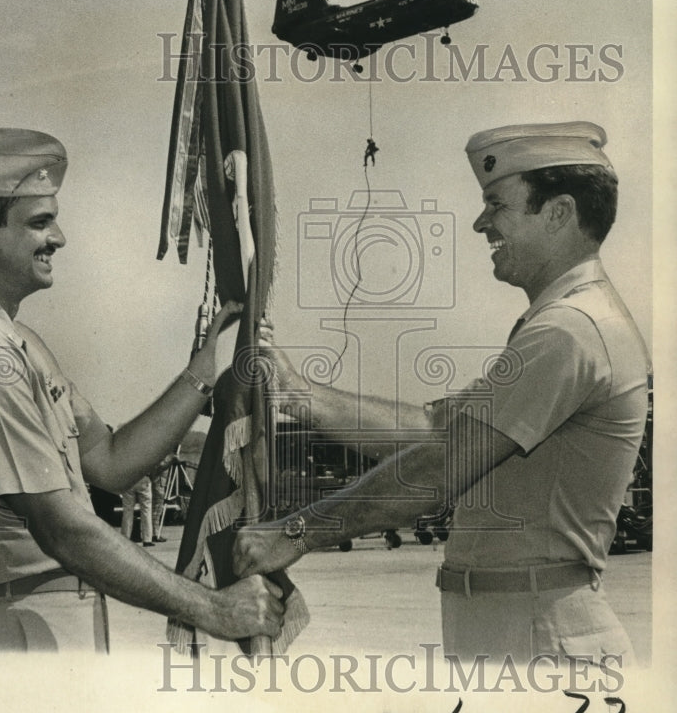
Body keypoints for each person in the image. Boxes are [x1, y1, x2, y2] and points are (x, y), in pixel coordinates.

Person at [234, 121, 650, 666]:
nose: (482, 223)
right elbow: (437, 429)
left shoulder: (569, 330)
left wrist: (295, 532)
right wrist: (305, 396)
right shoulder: (563, 321)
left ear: (558, 213)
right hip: (518, 630)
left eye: (496, 204)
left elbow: (440, 467)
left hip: (539, 638)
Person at [0, 127, 284, 652]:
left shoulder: (13, 340)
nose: (58, 238)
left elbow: (109, 460)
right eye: (40, 222)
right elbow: (62, 528)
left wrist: (207, 371)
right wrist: (213, 607)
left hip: (48, 621)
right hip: (17, 632)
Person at [121, 473, 155, 547]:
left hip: (128, 479)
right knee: (146, 510)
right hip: (144, 478)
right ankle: (147, 539)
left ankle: (125, 537)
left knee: (127, 510)